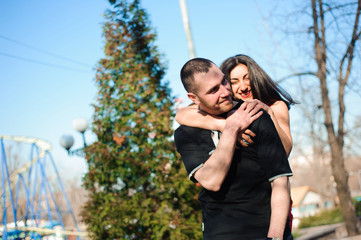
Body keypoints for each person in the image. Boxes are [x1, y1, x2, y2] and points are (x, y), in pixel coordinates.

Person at [174, 57, 293, 240]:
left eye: (224, 81)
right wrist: (229, 127)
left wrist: (275, 237)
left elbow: (281, 177)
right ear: (194, 98)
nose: (226, 90)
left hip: (265, 227)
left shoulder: (261, 113)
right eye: (214, 89)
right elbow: (211, 180)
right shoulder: (188, 131)